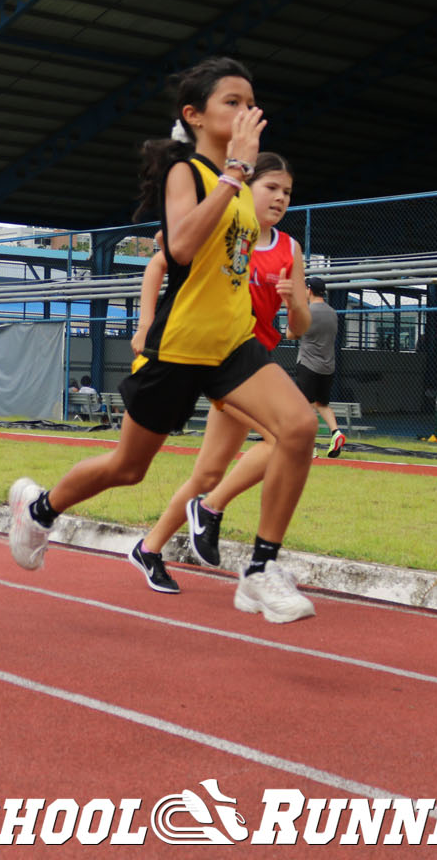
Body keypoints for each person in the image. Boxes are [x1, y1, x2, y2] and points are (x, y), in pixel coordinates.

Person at [7, 56, 318, 624]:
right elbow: (179, 250)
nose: (247, 111)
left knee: (298, 428)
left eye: (252, 102)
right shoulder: (190, 173)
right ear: (194, 115)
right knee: (128, 467)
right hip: (178, 348)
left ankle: (260, 571)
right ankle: (41, 508)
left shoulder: (245, 187)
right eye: (233, 101)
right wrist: (233, 176)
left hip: (231, 344)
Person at [132, 152, 311, 594]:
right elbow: (158, 263)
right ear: (248, 187)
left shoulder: (290, 249)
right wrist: (144, 325)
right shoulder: (225, 226)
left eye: (287, 192)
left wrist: (294, 300)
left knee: (208, 471)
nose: (281, 198)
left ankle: (150, 547)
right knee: (284, 439)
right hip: (219, 360)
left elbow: (298, 329)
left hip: (255, 368)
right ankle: (209, 510)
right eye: (272, 188)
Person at [293, 276, 345, 458]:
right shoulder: (332, 313)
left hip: (308, 364)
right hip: (327, 366)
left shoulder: (308, 311)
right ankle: (335, 432)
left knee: (305, 408)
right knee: (322, 404)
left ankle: (310, 447)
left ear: (309, 290)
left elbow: (292, 334)